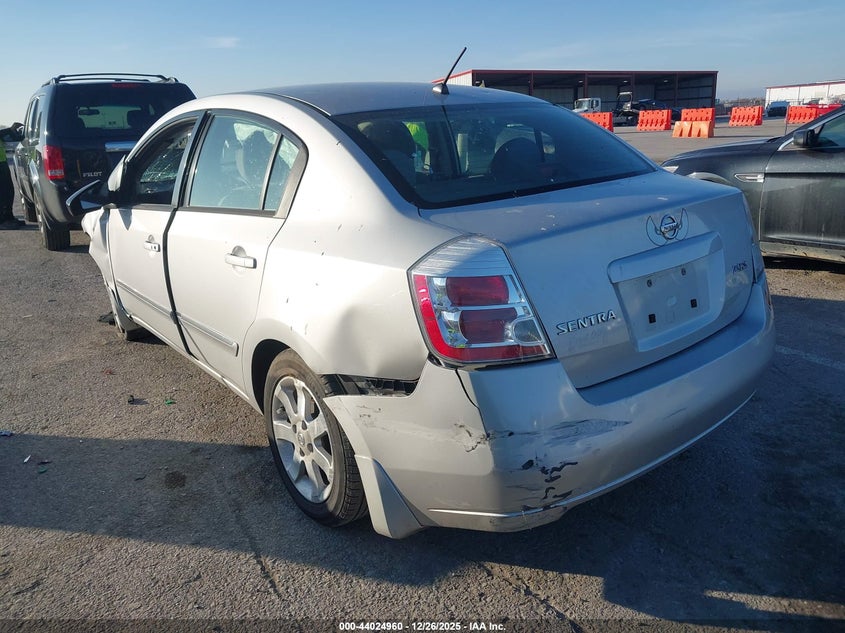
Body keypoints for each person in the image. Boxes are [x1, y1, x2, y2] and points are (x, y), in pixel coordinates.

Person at [0, 136, 24, 229]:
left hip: (2, 160)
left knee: (8, 191)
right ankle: (2, 221)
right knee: (3, 193)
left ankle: (8, 217)